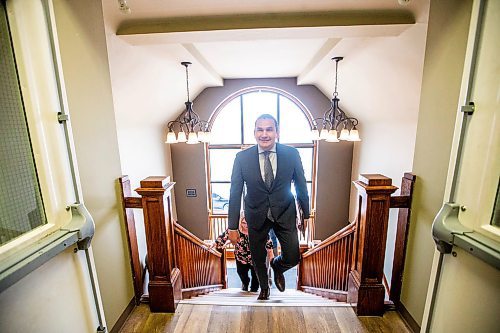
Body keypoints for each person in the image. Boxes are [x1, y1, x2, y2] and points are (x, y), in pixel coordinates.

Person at [227, 114, 310, 300]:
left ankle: (277, 267)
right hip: (255, 214)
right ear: (254, 132)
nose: (264, 134)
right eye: (260, 129)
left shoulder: (292, 154)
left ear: (277, 132)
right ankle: (264, 289)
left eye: (269, 129)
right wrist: (233, 226)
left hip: (285, 212)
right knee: (257, 256)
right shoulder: (242, 158)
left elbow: (301, 184)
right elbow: (235, 193)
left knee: (293, 256)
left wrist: (305, 214)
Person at [211, 213, 274, 292]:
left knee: (256, 277)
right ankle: (245, 283)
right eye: (244, 223)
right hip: (241, 257)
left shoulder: (258, 230)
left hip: (256, 258)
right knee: (241, 273)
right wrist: (215, 243)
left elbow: (269, 245)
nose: (246, 225)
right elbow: (223, 237)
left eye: (248, 222)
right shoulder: (235, 230)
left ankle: (254, 289)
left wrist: (271, 258)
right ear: (240, 222)